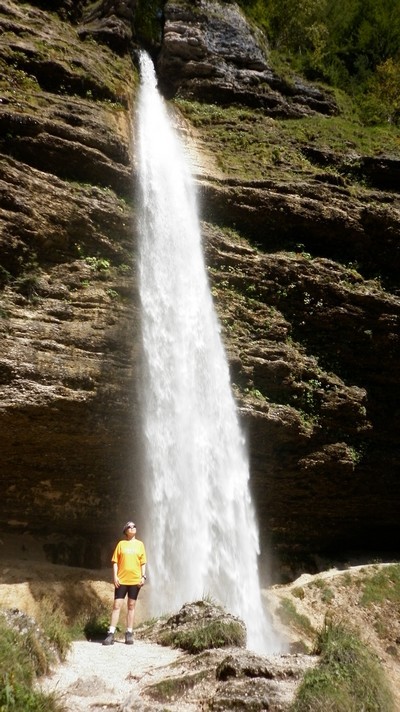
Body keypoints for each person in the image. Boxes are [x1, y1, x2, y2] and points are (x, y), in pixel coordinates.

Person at [102, 521, 147, 645]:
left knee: (131, 606)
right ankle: (110, 633)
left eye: (134, 526)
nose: (132, 527)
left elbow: (143, 562)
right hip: (121, 580)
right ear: (125, 531)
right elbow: (115, 561)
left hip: (135, 580)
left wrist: (143, 576)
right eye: (129, 526)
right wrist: (115, 577)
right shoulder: (121, 544)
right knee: (117, 605)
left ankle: (129, 633)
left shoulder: (140, 545)